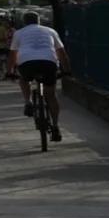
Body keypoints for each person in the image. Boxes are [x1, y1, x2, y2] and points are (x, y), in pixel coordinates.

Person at [12, 12, 70, 140]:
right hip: (48, 62)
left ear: (24, 22)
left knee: (24, 79)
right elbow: (61, 52)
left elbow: (13, 53)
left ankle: (28, 102)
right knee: (51, 94)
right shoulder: (50, 31)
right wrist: (66, 70)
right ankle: (55, 127)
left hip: (27, 61)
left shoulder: (19, 32)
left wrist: (9, 70)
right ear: (39, 21)